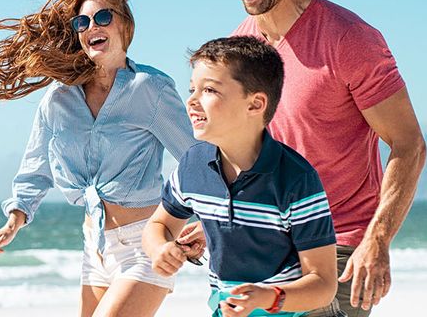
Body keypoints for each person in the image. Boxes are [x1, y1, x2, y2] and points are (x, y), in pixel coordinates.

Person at [195, 0, 427, 316]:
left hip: (335, 252)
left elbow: (409, 145)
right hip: (263, 249)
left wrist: (377, 240)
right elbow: (248, 152)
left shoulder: (349, 39)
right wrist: (212, 218)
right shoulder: (240, 47)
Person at [0, 0, 195, 316]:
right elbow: (35, 168)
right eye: (82, 22)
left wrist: (191, 221)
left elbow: (196, 159)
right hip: (94, 248)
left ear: (124, 25)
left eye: (103, 17)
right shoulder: (58, 100)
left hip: (144, 245)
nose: (92, 27)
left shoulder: (151, 89)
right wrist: (13, 221)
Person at [144, 36, 339, 317]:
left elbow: (323, 283)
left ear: (255, 104)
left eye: (209, 90)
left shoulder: (297, 179)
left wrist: (267, 298)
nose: (192, 101)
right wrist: (160, 248)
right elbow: (159, 223)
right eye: (192, 89)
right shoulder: (192, 164)